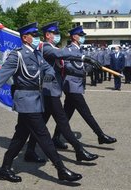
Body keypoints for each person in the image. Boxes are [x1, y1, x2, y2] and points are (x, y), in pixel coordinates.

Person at [0, 22, 82, 183]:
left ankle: (4, 169)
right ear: (25, 38)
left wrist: (46, 79)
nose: (37, 38)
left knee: (20, 136)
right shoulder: (17, 55)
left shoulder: (37, 54)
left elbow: (49, 69)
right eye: (34, 35)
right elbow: (1, 75)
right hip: (25, 101)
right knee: (43, 135)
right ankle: (61, 169)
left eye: (38, 35)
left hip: (36, 100)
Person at [24, 21, 98, 162]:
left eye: (58, 33)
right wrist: (83, 57)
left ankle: (30, 150)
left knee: (40, 124)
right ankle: (79, 150)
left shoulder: (52, 47)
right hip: (50, 91)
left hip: (50, 90)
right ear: (47, 35)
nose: (58, 36)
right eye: (55, 33)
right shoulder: (46, 48)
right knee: (63, 122)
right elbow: (63, 54)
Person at [54, 26, 117, 145]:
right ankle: (100, 135)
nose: (83, 37)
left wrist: (90, 67)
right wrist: (84, 69)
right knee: (86, 113)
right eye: (81, 35)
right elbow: (66, 66)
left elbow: (82, 66)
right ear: (74, 37)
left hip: (77, 85)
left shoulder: (80, 50)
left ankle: (56, 137)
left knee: (66, 114)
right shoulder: (69, 50)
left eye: (83, 35)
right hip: (71, 85)